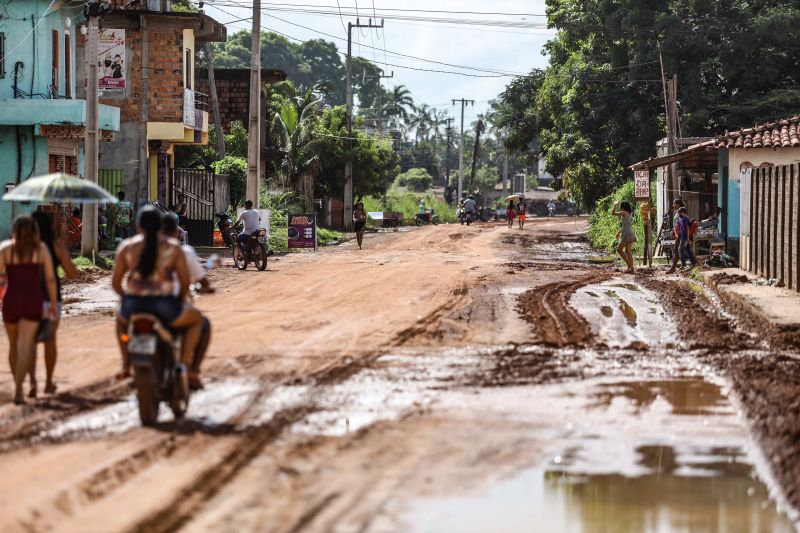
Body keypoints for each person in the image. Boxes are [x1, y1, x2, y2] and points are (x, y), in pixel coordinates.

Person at [111, 207, 204, 386]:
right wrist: (179, 300)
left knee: (120, 321)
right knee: (197, 320)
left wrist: (126, 297)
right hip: (165, 305)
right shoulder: (173, 247)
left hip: (133, 305)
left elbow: (116, 283)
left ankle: (125, 365)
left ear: (138, 225)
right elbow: (184, 282)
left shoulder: (126, 247)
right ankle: (183, 365)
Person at [0, 216, 58, 404]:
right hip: (33, 301)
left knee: (13, 346)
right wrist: (53, 306)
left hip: (11, 300)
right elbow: (50, 279)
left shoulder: (6, 249)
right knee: (26, 345)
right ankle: (18, 391)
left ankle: (18, 388)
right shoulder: (40, 249)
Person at [28, 212, 78, 397]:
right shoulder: (55, 247)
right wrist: (65, 252)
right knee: (50, 342)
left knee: (30, 343)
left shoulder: (24, 248)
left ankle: (32, 382)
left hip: (29, 299)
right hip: (51, 299)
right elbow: (72, 274)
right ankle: (48, 382)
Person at [162, 216, 212, 388]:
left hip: (142, 305)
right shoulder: (184, 251)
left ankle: (127, 365)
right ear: (176, 233)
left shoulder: (142, 249)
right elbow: (193, 281)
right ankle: (189, 368)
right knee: (201, 322)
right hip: (171, 306)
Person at [612, 201, 636, 273]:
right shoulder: (629, 213)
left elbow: (613, 213)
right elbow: (625, 225)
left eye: (621, 206)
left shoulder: (623, 212)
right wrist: (618, 232)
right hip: (630, 232)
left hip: (626, 233)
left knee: (619, 250)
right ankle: (630, 268)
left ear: (623, 207)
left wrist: (615, 205)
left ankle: (630, 266)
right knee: (628, 251)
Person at [665, 198, 684, 274]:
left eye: (674, 204)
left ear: (678, 204)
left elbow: (682, 223)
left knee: (677, 250)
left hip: (681, 233)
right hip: (678, 233)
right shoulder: (677, 212)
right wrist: (673, 231)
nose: (673, 205)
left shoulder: (681, 212)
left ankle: (673, 268)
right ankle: (694, 264)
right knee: (681, 250)